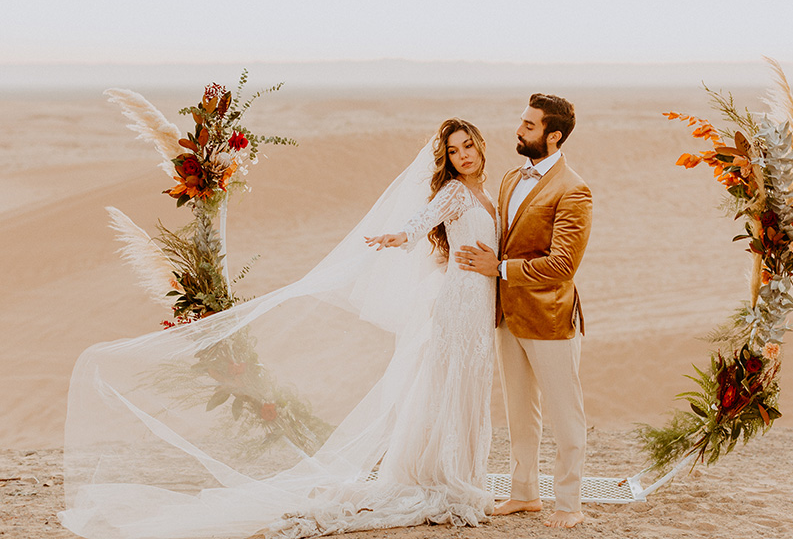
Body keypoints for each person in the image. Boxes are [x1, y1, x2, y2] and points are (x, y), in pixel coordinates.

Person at [59, 119, 500, 539]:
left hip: (478, 302)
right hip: (457, 305)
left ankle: (461, 471)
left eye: (467, 146)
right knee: (449, 383)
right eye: (452, 150)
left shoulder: (488, 195)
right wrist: (396, 237)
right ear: (445, 158)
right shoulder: (455, 193)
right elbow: (419, 223)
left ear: (480, 145)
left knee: (470, 383)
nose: (462, 155)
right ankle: (445, 475)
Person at [456, 93, 592, 529]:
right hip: (506, 315)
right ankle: (525, 494)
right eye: (522, 121)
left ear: (554, 136)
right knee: (519, 410)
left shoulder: (574, 190)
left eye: (529, 126)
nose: (519, 129)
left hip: (549, 319)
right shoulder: (512, 178)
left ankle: (568, 503)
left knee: (565, 414)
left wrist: (498, 269)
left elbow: (562, 265)